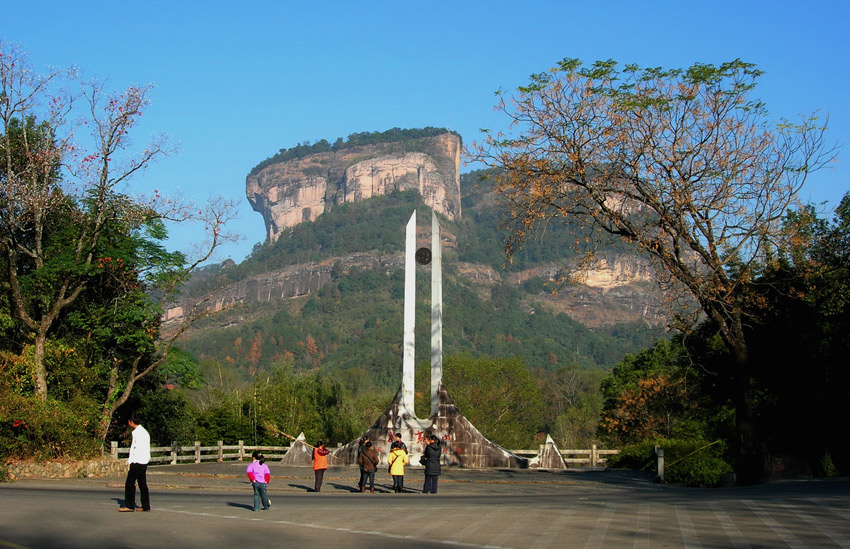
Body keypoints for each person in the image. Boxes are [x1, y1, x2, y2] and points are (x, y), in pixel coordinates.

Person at [119, 415, 151, 512]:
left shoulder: (138, 433)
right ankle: (146, 506)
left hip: (138, 460)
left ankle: (130, 505)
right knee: (142, 484)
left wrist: (131, 460)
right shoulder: (144, 432)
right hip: (144, 460)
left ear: (131, 422)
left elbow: (135, 448)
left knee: (130, 482)